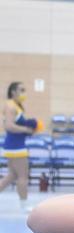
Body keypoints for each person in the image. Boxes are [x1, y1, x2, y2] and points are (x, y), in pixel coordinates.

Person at [0, 81, 38, 210]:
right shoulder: (10, 106)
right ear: (13, 92)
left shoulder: (16, 106)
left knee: (11, 176)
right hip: (16, 147)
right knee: (23, 176)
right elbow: (9, 126)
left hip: (15, 145)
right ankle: (24, 205)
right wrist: (26, 130)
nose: (23, 93)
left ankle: (23, 203)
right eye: (21, 90)